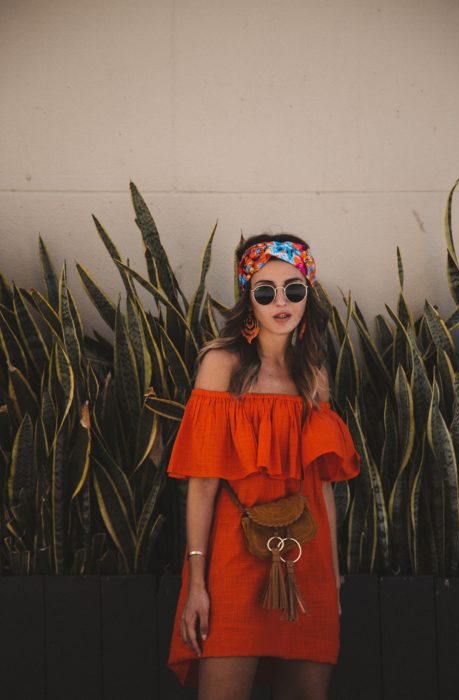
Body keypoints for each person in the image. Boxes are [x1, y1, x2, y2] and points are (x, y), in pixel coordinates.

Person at [166, 234, 361, 700]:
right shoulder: (221, 365)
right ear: (247, 298)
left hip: (305, 557)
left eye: (294, 289)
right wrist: (196, 583)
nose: (281, 301)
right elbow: (203, 482)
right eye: (265, 290)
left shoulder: (313, 374)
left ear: (308, 294)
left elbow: (324, 486)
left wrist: (332, 579)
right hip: (234, 558)